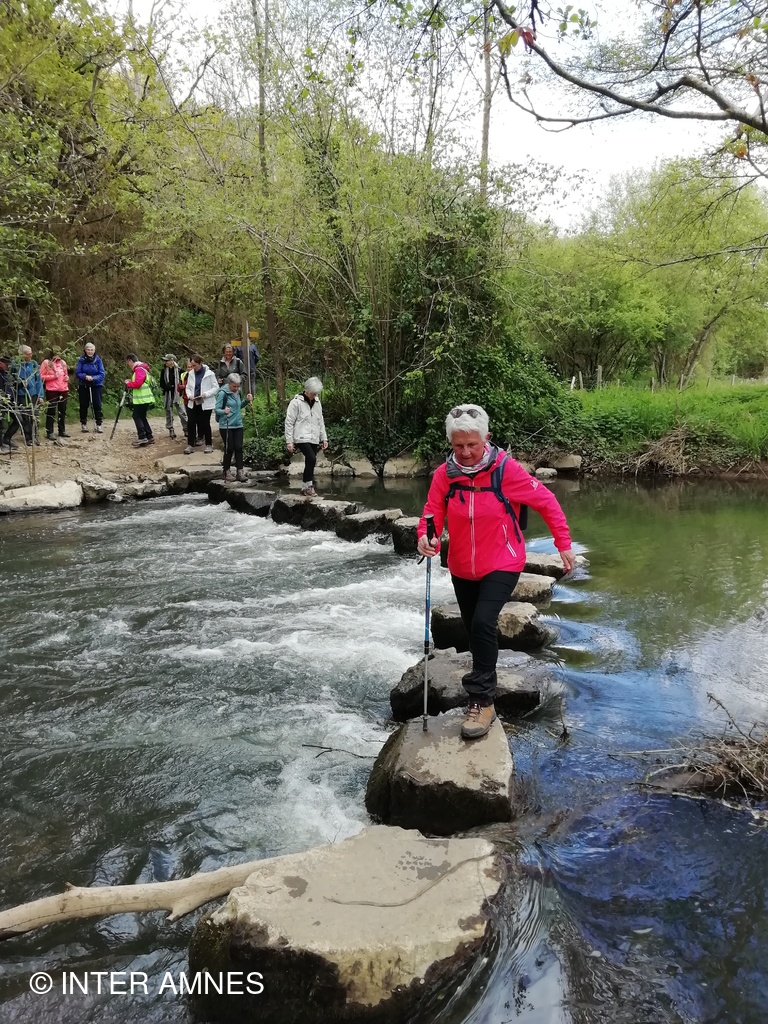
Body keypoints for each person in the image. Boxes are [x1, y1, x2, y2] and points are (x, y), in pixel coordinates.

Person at [417, 404, 575, 741]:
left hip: (504, 561)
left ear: (486, 438)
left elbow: (546, 501)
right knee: (474, 631)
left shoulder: (507, 470)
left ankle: (482, 702)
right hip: (462, 565)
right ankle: (483, 682)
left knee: (482, 623)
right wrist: (426, 537)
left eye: (472, 445)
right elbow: (432, 513)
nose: (465, 452)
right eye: (458, 445)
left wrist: (563, 544)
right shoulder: (444, 475)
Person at [284, 377, 328, 498]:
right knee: (311, 458)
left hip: (314, 436)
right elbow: (289, 422)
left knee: (311, 461)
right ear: (307, 390)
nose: (315, 395)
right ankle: (309, 486)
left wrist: (324, 438)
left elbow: (320, 421)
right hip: (301, 436)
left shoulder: (317, 403)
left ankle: (305, 488)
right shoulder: (296, 402)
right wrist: (289, 441)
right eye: (313, 393)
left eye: (316, 393)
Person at [215, 373, 252, 481]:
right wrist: (224, 411)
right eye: (234, 386)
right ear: (229, 384)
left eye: (237, 386)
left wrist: (246, 401)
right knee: (229, 448)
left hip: (238, 424)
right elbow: (216, 409)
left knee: (239, 448)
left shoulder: (238, 392)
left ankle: (240, 472)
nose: (236, 388)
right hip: (226, 425)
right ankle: (226, 471)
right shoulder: (223, 393)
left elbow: (238, 406)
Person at [6, 346, 43, 447]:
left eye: (31, 353)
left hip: (33, 393)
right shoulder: (15, 364)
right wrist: (21, 383)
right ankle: (28, 437)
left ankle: (35, 435)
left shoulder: (34, 364)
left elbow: (38, 380)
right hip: (22, 394)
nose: (30, 355)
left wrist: (40, 395)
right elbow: (11, 380)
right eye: (28, 354)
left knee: (34, 415)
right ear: (22, 354)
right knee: (25, 416)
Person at [184, 354, 219, 454]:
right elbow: (188, 387)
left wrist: (206, 394)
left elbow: (216, 388)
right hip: (193, 401)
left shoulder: (210, 374)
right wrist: (189, 395)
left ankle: (209, 444)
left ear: (200, 363)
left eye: (195, 365)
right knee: (191, 422)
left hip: (205, 402)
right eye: (192, 365)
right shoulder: (191, 374)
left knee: (205, 423)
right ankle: (190, 445)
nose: (193, 367)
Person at [125, 353, 155, 447]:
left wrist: (128, 384)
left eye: (128, 362)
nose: (128, 365)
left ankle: (142, 437)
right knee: (142, 416)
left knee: (136, 416)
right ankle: (149, 436)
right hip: (144, 398)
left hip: (142, 399)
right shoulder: (142, 369)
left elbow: (138, 384)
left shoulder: (139, 369)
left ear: (130, 361)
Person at [75, 341, 105, 433]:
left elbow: (102, 374)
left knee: (97, 405)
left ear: (94, 351)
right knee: (84, 405)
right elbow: (78, 372)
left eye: (92, 350)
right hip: (84, 384)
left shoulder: (98, 360)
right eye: (88, 350)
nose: (90, 351)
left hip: (96, 385)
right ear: (85, 350)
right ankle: (83, 424)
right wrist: (85, 376)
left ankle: (99, 424)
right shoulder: (81, 360)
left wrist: (93, 378)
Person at [40, 347, 70, 440]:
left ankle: (62, 430)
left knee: (62, 411)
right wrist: (53, 376)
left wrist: (67, 378)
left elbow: (66, 374)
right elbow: (41, 376)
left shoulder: (63, 363)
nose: (58, 355)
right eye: (56, 353)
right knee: (51, 410)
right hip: (52, 389)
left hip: (63, 389)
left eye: (59, 353)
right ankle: (49, 431)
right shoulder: (46, 362)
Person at [160, 353, 188, 441]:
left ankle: (186, 429)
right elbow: (161, 383)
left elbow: (184, 382)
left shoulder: (180, 371)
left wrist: (180, 388)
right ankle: (171, 429)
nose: (165, 362)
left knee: (182, 412)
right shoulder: (164, 371)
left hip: (178, 395)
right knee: (169, 412)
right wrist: (167, 387)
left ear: (172, 361)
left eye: (167, 360)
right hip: (168, 394)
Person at [0, 354, 13, 453]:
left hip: (8, 400)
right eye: (6, 364)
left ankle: (6, 439)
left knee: (18, 419)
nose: (8, 366)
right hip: (1, 400)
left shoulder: (5, 373)